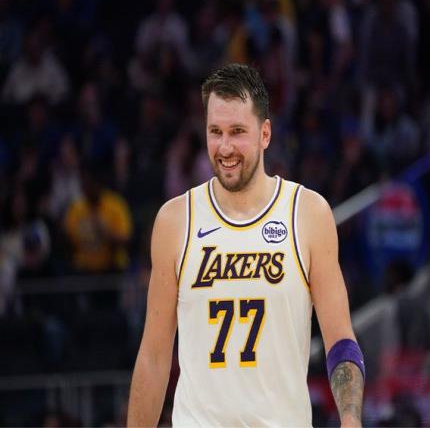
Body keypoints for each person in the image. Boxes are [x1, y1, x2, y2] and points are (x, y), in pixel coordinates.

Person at [127, 64, 365, 427]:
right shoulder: (175, 220)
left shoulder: (308, 214)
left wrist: (350, 418)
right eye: (215, 132)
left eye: (237, 132)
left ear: (265, 134)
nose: (225, 147)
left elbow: (340, 340)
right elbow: (154, 356)